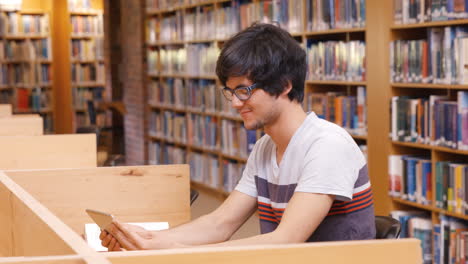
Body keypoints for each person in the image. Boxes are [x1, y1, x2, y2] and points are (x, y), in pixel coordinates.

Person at [100, 23, 375, 251]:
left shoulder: (327, 146)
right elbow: (221, 223)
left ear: (284, 85)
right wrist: (148, 240)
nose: (234, 103)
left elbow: (286, 240)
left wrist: (181, 252)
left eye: (244, 90)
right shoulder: (266, 147)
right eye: (230, 92)